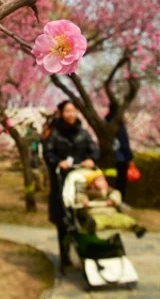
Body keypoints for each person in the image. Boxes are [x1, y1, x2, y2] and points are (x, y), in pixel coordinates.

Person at [43, 100, 99, 273]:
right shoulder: (53, 133)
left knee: (86, 217)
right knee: (64, 221)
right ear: (61, 113)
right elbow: (48, 153)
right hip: (62, 182)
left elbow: (94, 150)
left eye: (74, 110)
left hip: (82, 182)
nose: (71, 114)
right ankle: (65, 257)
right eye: (67, 111)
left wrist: (91, 159)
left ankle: (89, 253)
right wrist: (58, 162)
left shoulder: (83, 133)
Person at [76, 170, 146, 238]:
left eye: (104, 180)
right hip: (97, 213)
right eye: (100, 180)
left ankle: (135, 227)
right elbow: (79, 197)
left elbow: (117, 194)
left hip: (112, 213)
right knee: (97, 222)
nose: (104, 182)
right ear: (92, 184)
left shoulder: (110, 191)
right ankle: (91, 227)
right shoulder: (87, 193)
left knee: (124, 219)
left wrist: (113, 200)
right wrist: (83, 200)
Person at [105, 101, 135, 197]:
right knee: (120, 180)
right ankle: (119, 199)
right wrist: (129, 158)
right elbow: (124, 142)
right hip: (120, 157)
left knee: (109, 180)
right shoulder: (118, 123)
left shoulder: (105, 122)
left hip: (108, 156)